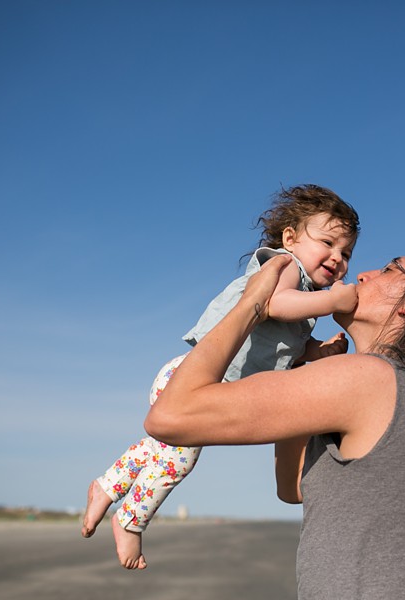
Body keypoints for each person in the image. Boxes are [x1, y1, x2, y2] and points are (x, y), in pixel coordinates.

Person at [145, 244, 405, 599]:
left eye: (390, 270)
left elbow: (171, 415)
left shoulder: (369, 378)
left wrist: (252, 302)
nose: (363, 274)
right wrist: (302, 367)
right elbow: (293, 487)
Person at [82, 184, 360, 569]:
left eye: (346, 253)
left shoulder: (305, 298)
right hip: (192, 379)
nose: (338, 259)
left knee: (160, 449)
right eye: (328, 243)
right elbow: (273, 305)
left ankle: (106, 485)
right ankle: (131, 520)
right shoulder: (283, 267)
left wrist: (320, 351)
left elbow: (291, 344)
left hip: (201, 383)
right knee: (178, 458)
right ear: (290, 238)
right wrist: (332, 302)